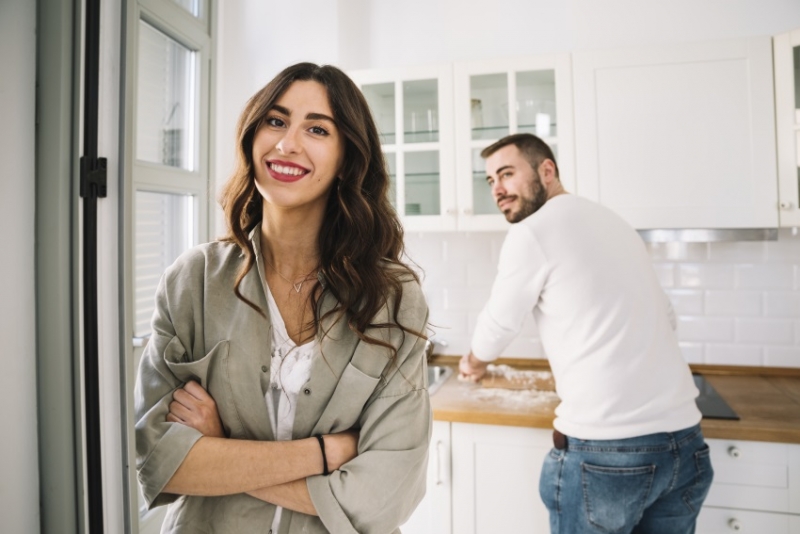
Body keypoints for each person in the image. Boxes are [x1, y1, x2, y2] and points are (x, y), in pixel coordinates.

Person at [135, 62, 431, 534]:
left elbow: (383, 498)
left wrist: (223, 447)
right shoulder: (193, 280)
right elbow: (160, 460)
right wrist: (323, 453)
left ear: (347, 158)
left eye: (317, 128)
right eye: (275, 120)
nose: (287, 143)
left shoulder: (392, 299)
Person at [458, 133, 713, 533]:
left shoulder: (533, 232)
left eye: (507, 174)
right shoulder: (616, 223)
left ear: (547, 170)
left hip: (607, 454)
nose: (498, 189)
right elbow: (668, 315)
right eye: (490, 180)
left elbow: (500, 322)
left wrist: (472, 362)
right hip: (684, 445)